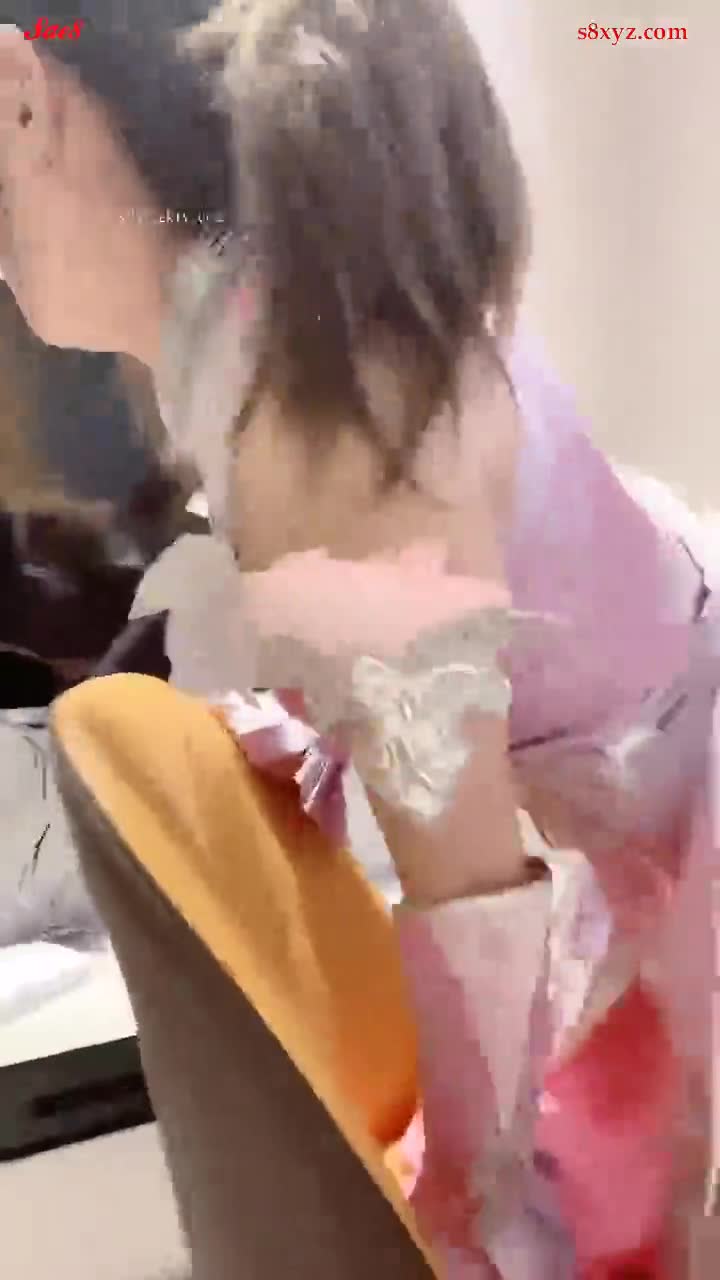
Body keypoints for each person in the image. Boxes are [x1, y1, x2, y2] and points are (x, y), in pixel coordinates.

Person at [0, 2, 717, 1276]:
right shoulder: (280, 346)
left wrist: (467, 1212)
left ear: (21, 97)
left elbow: (476, 909)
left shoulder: (309, 421)